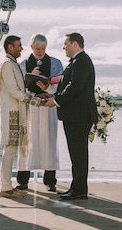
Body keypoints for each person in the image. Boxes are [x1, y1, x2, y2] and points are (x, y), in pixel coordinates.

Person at [39, 33, 96, 200]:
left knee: (78, 153)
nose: (64, 47)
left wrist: (56, 101)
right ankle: (77, 188)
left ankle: (79, 190)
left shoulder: (82, 62)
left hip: (78, 115)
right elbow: (69, 85)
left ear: (75, 44)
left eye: (66, 44)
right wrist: (52, 97)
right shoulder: (78, 62)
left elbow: (74, 88)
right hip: (76, 115)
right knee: (76, 153)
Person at [16, 33, 63, 193]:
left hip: (48, 106)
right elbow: (18, 87)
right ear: (31, 47)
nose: (40, 51)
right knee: (27, 142)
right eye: (37, 48)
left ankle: (50, 180)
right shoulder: (22, 65)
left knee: (48, 141)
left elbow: (60, 85)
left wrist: (48, 91)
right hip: (30, 106)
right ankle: (23, 180)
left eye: (43, 48)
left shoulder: (56, 64)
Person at [0, 35, 39, 199]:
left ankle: (8, 185)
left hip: (15, 113)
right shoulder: (7, 64)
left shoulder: (11, 63)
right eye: (18, 46)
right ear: (9, 47)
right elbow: (14, 91)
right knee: (10, 150)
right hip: (12, 114)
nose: (21, 48)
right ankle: (5, 187)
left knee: (12, 151)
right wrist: (35, 101)